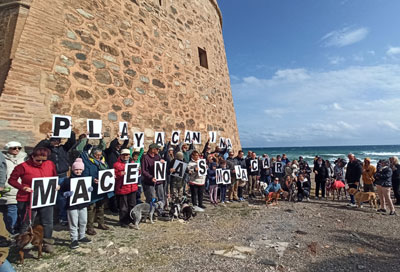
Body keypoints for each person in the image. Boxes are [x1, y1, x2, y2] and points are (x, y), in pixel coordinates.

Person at [8, 147, 57, 253]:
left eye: (44, 160)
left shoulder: (50, 164)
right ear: (32, 157)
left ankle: (46, 243)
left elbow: (54, 176)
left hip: (45, 197)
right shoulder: (22, 167)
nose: (41, 162)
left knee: (48, 221)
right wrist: (23, 187)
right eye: (38, 160)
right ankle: (23, 243)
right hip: (27, 198)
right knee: (27, 222)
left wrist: (56, 185)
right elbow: (12, 180)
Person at [36, 131, 76, 225]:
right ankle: (49, 219)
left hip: (62, 175)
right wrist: (46, 140)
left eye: (58, 140)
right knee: (49, 198)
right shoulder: (46, 149)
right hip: (50, 176)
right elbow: (37, 149)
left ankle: (63, 218)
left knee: (62, 197)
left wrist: (70, 130)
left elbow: (72, 142)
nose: (56, 142)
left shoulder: (63, 148)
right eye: (54, 140)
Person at [60, 158, 92, 249]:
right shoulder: (67, 180)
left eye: (80, 169)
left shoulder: (85, 179)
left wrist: (89, 190)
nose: (78, 171)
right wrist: (66, 194)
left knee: (83, 220)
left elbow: (87, 189)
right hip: (72, 205)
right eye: (76, 169)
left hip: (83, 204)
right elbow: (61, 191)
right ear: (73, 170)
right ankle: (74, 239)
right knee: (73, 222)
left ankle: (82, 236)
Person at [80, 148, 112, 235]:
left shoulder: (103, 162)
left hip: (101, 188)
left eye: (100, 155)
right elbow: (85, 175)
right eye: (96, 155)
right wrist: (93, 180)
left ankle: (101, 223)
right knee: (91, 208)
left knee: (101, 206)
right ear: (92, 154)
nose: (98, 157)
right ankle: (90, 227)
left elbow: (108, 171)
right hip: (92, 188)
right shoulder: (88, 163)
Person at [1, 142, 28, 235]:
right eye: (14, 148)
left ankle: (18, 230)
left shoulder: (24, 158)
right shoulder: (2, 158)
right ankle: (12, 231)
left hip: (22, 188)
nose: (17, 149)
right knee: (10, 210)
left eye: (19, 148)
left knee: (20, 210)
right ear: (8, 148)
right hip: (7, 188)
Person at [113, 149, 138, 228]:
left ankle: (131, 220)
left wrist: (138, 171)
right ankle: (123, 221)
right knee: (123, 207)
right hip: (122, 188)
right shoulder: (116, 164)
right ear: (121, 155)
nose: (125, 156)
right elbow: (113, 176)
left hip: (132, 187)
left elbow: (137, 175)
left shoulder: (133, 163)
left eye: (127, 155)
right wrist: (120, 174)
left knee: (132, 205)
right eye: (124, 155)